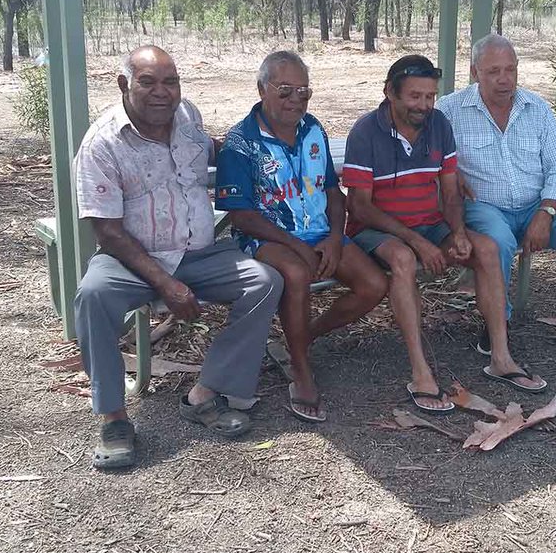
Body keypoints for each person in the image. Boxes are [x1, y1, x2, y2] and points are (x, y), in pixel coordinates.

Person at [73, 45, 284, 469]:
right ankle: (114, 417)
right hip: (130, 259)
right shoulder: (101, 145)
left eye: (170, 82)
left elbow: (211, 149)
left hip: (196, 252)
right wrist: (166, 285)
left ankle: (205, 392)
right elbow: (108, 232)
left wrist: (265, 151)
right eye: (147, 82)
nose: (161, 93)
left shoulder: (187, 117)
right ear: (123, 85)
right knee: (93, 296)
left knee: (265, 282)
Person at [342, 54, 546, 413]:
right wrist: (417, 241)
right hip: (377, 231)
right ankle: (421, 372)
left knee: (486, 247)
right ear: (390, 92)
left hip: (430, 224)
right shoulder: (365, 132)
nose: (423, 105)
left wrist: (458, 232)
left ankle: (500, 356)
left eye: (430, 96)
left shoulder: (439, 125)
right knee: (404, 259)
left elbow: (450, 192)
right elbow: (359, 207)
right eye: (415, 96)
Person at [214, 50, 388, 423]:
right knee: (295, 274)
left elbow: (330, 190)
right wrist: (295, 245)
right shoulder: (241, 143)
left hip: (320, 233)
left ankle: (304, 336)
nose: (297, 99)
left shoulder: (313, 130)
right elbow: (240, 214)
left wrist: (335, 238)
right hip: (267, 238)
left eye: (304, 91)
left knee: (373, 285)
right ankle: (301, 369)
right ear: (262, 89)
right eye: (286, 90)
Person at [437, 33, 556, 368]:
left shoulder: (537, 109)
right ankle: (495, 324)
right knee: (499, 240)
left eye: (510, 70)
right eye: (493, 72)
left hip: (536, 206)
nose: (504, 79)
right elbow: (422, 152)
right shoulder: (449, 111)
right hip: (485, 208)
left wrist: (546, 212)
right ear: (475, 73)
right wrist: (445, 170)